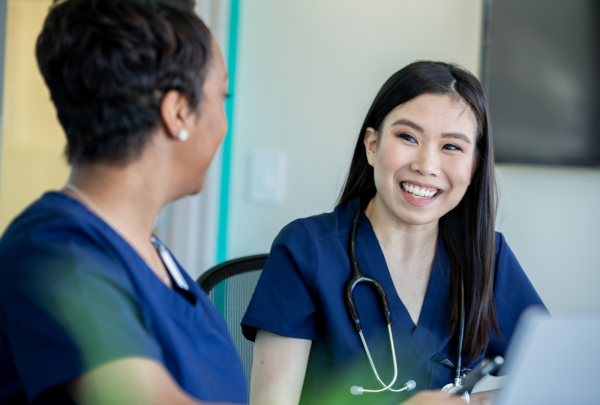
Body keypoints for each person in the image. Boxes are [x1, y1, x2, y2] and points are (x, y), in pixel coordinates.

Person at [241, 61, 546, 405]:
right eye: (407, 137)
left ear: (474, 166)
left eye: (452, 147)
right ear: (372, 145)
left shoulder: (488, 257)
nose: (426, 165)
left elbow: (556, 374)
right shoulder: (306, 250)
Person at [0, 0, 248, 403]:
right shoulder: (57, 251)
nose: (223, 121)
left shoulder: (151, 255)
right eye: (224, 96)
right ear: (179, 112)